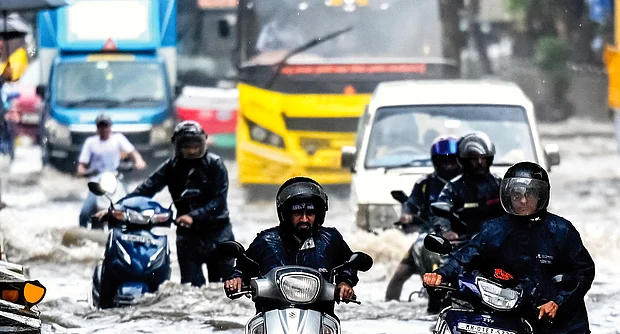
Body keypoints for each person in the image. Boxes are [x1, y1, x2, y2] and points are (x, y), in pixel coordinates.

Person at [423, 162, 596, 334]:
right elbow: (465, 258)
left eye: (529, 195)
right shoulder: (495, 230)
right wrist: (441, 274)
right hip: (527, 327)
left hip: (569, 329)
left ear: (540, 196)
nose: (523, 201)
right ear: (507, 196)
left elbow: (584, 271)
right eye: (517, 195)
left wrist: (558, 301)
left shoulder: (561, 230)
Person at [224, 176, 359, 310]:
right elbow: (243, 268)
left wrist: (345, 282)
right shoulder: (266, 242)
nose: (304, 219)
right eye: (298, 213)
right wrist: (236, 280)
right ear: (286, 214)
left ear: (319, 214)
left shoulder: (330, 240)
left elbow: (348, 264)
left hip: (319, 316)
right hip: (272, 315)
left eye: (310, 213)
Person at [128, 121, 232, 286]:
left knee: (223, 286)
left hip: (217, 232)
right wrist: (118, 207)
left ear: (203, 143)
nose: (191, 151)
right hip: (188, 235)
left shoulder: (215, 164)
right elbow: (146, 189)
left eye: (195, 147)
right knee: (190, 287)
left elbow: (219, 201)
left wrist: (193, 216)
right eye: (187, 147)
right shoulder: (171, 166)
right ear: (177, 146)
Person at [385, 135, 461, 302]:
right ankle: (389, 306)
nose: (449, 165)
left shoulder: (466, 183)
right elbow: (411, 204)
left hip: (458, 237)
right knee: (399, 275)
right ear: (436, 161)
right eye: (444, 160)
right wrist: (407, 216)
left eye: (452, 160)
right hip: (428, 235)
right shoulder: (425, 183)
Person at [76, 113, 145, 227]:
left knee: (131, 206)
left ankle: (136, 228)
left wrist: (138, 161)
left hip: (115, 179)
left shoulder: (118, 139)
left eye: (106, 126)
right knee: (84, 213)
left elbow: (132, 153)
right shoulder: (90, 142)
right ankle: (82, 232)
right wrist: (83, 172)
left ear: (110, 127)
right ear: (97, 128)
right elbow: (81, 166)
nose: (103, 129)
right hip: (97, 181)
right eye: (101, 126)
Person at [433, 131, 503, 241]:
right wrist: (446, 231)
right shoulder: (453, 188)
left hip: (498, 241)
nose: (480, 162)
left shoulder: (499, 183)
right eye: (474, 159)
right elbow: (441, 214)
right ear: (464, 161)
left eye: (483, 158)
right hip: (465, 243)